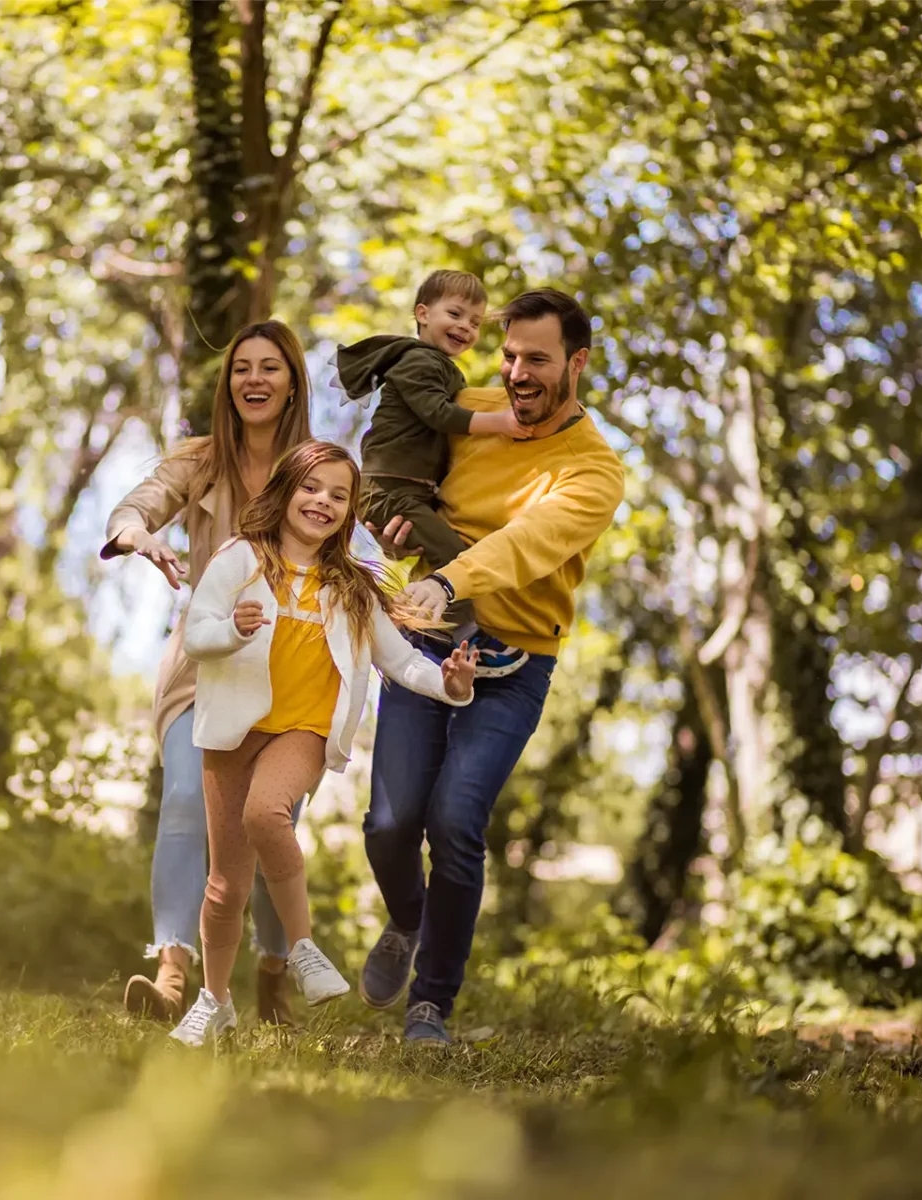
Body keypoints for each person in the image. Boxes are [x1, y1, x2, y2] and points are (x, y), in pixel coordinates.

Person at [357, 288, 626, 1046]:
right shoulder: (470, 408)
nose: (516, 374)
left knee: (455, 820)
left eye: (536, 359)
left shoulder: (594, 470)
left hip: (514, 661)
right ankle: (408, 922)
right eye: (509, 356)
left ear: (577, 362)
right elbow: (394, 462)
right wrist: (391, 518)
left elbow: (527, 543)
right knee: (388, 823)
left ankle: (430, 1005)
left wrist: (448, 579)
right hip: (426, 639)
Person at [168, 440, 476, 1047]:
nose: (323, 502)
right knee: (225, 885)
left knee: (266, 813)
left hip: (302, 732)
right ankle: (215, 1000)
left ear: (349, 512)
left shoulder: (354, 588)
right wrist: (232, 630)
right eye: (312, 488)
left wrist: (447, 684)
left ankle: (303, 947)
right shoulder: (240, 560)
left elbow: (400, 659)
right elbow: (197, 634)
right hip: (233, 729)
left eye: (340, 496)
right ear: (286, 490)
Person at [102, 320, 314, 1027]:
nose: (253, 380)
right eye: (241, 369)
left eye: (269, 368)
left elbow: (362, 545)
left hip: (291, 671)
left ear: (291, 385)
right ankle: (171, 978)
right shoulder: (198, 461)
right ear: (229, 386)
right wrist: (138, 533)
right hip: (205, 663)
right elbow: (136, 504)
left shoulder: (316, 470)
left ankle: (273, 971)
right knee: (188, 802)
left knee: (268, 821)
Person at [332, 269, 530, 675]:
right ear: (422, 313)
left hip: (405, 490)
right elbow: (437, 414)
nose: (465, 327)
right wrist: (501, 422)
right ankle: (469, 639)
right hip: (390, 491)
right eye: (455, 314)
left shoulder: (436, 364)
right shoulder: (419, 360)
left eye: (475, 322)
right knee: (454, 557)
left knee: (448, 551)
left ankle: (429, 630)